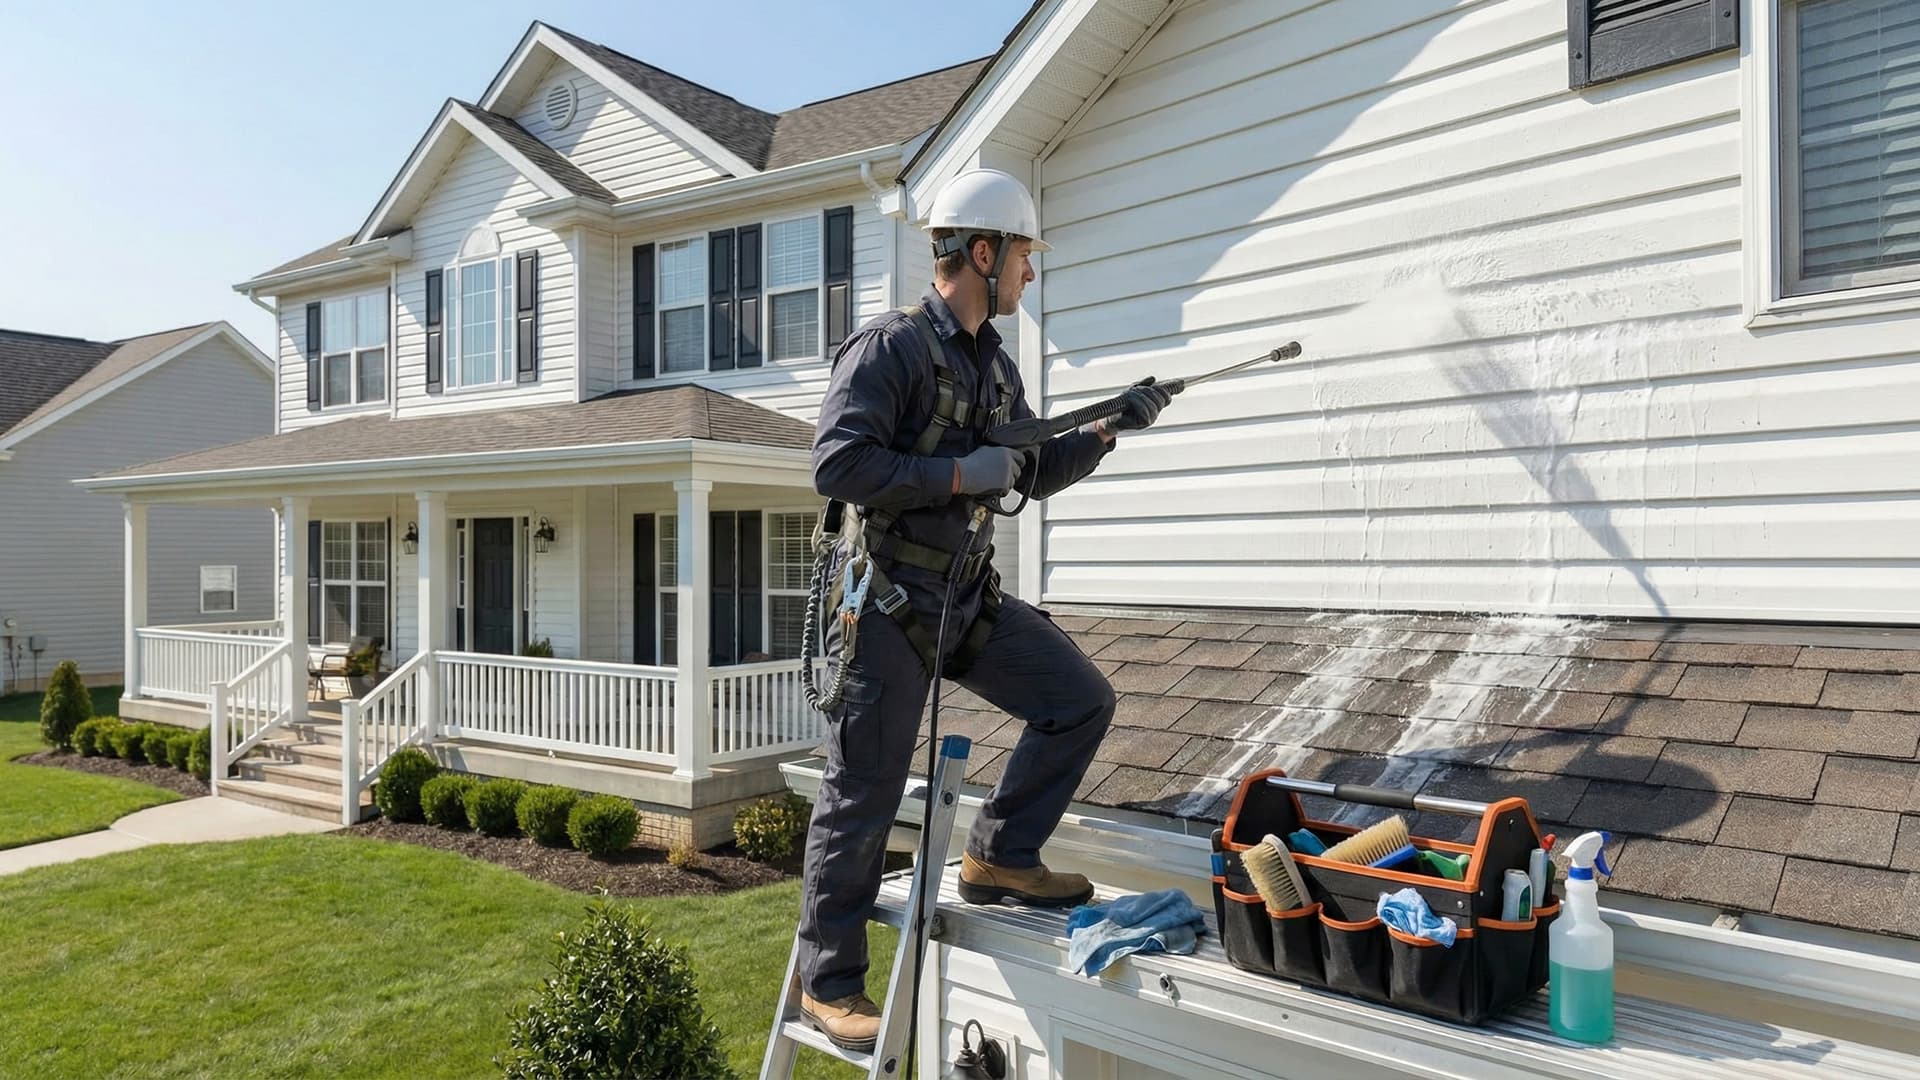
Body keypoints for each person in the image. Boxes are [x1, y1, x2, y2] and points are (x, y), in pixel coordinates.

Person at [795, 167, 1171, 1050]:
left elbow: (1029, 469)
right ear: (981, 252)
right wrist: (960, 474)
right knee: (865, 790)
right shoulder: (890, 350)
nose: (1031, 274)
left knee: (1078, 699)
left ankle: (1001, 853)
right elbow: (837, 467)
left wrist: (1107, 431)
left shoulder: (994, 368)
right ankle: (828, 979)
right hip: (889, 609)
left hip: (966, 603)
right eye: (1024, 257)